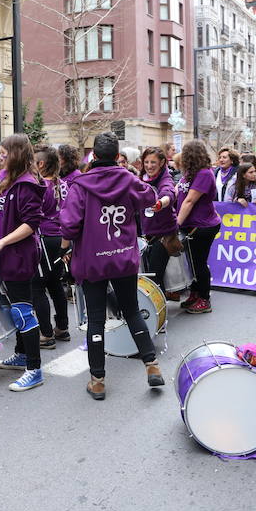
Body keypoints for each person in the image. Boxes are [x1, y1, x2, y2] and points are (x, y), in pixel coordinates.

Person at [59, 132, 164, 400]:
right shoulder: (128, 179)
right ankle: (151, 364)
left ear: (93, 155)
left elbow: (69, 225)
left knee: (95, 319)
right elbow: (150, 197)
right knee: (131, 310)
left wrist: (65, 247)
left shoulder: (80, 185)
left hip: (92, 261)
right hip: (123, 258)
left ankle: (98, 381)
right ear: (117, 156)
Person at [0, 134, 47, 392]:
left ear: (16, 154)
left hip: (20, 255)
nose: (0, 157)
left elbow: (31, 223)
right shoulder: (7, 180)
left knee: (22, 311)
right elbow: (6, 218)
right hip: (8, 252)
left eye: (4, 153)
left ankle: (34, 369)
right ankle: (21, 354)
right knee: (17, 307)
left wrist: (2, 242)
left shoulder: (26, 184)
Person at [176, 140, 222, 314]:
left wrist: (177, 224)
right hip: (192, 225)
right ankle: (195, 294)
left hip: (202, 226)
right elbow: (177, 191)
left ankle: (204, 299)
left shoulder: (204, 174)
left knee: (198, 263)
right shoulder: (190, 173)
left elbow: (190, 201)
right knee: (192, 263)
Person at [31, 146, 69, 346]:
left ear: (41, 164)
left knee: (37, 286)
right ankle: (62, 327)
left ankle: (46, 333)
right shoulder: (62, 184)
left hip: (44, 238)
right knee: (55, 283)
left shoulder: (40, 186)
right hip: (61, 237)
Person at [139, 147, 176, 295]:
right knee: (149, 274)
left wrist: (160, 203)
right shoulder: (141, 178)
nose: (149, 166)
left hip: (163, 234)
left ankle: (158, 307)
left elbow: (169, 193)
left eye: (153, 162)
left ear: (161, 162)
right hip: (146, 232)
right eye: (146, 162)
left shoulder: (166, 179)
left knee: (155, 276)